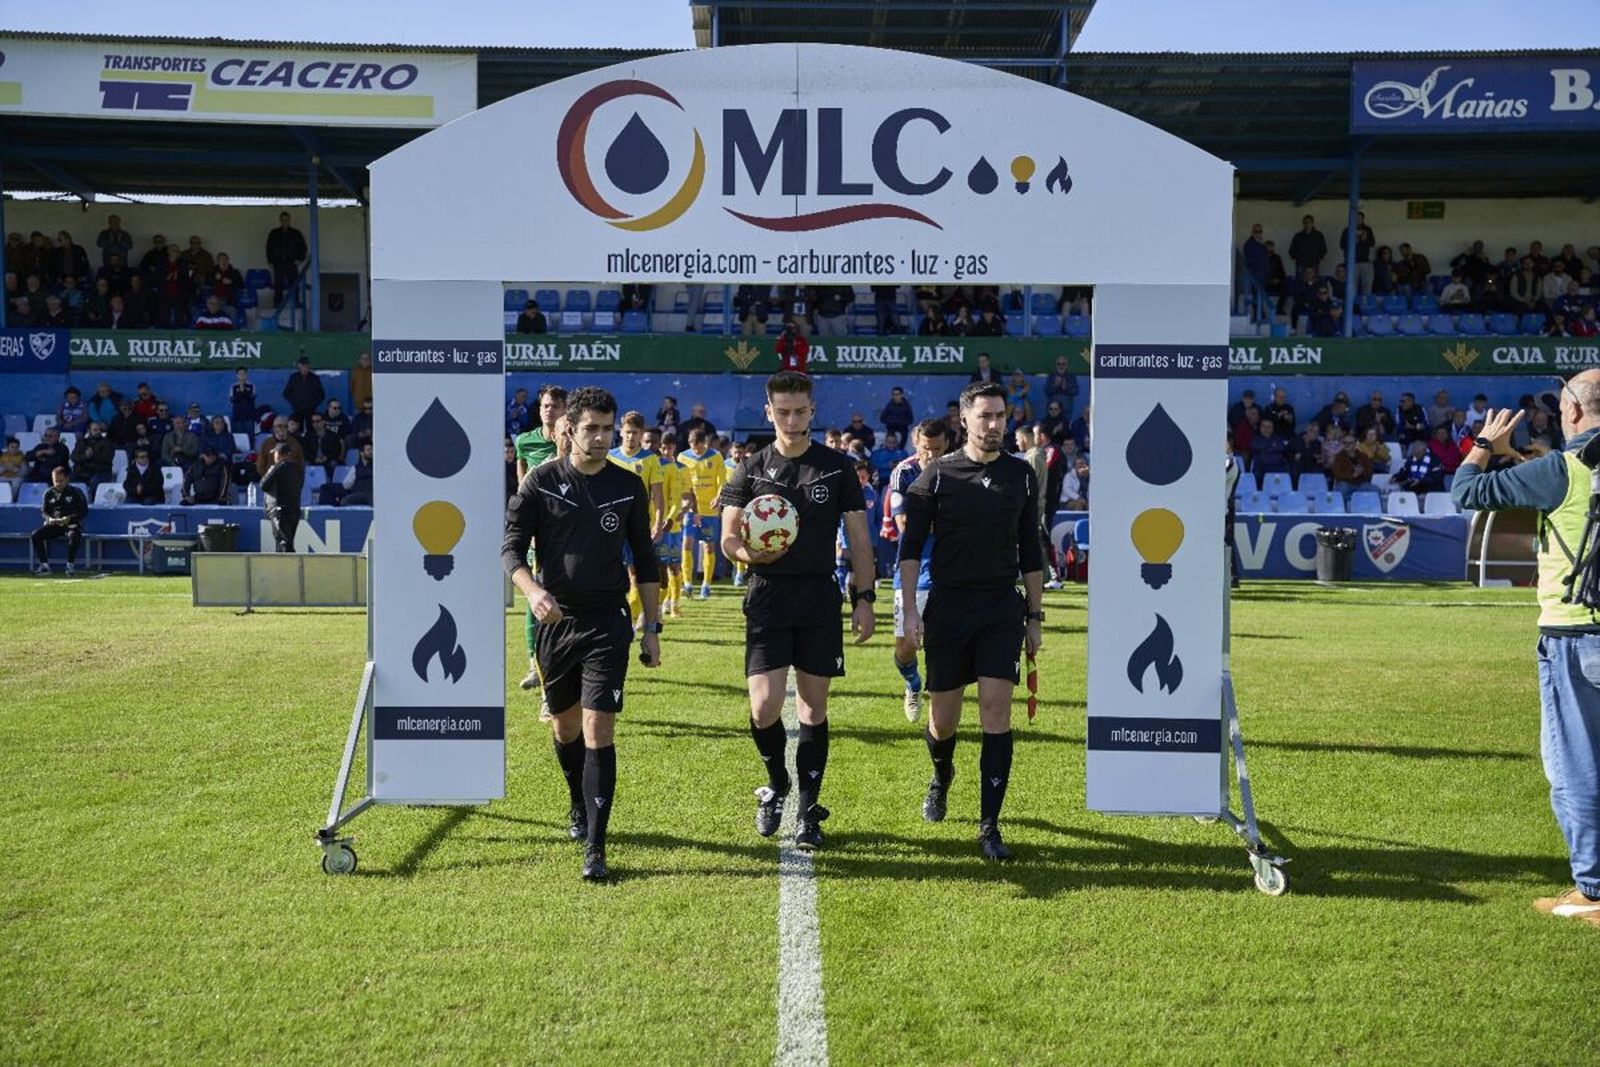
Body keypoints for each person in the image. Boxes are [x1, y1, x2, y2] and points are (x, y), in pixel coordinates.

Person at [1452, 381, 1600, 925]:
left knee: (1575, 765)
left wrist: (1485, 445)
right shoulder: (1562, 465)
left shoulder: (1561, 470)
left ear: (1574, 409)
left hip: (1575, 633)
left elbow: (1466, 491)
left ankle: (1593, 889)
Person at [502, 385, 662, 881]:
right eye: (591, 428)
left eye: (607, 429)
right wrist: (531, 590)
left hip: (607, 623)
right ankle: (577, 800)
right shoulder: (540, 483)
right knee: (565, 727)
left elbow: (646, 559)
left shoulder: (627, 485)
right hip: (555, 625)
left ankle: (596, 846)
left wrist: (651, 626)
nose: (600, 437)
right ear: (568, 428)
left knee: (598, 728)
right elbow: (509, 549)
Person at [716, 371, 875, 850]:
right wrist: (749, 555)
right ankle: (776, 784)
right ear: (768, 412)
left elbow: (861, 541)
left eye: (799, 411)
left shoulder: (836, 467)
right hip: (766, 594)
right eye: (781, 411)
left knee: (812, 705)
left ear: (812, 411)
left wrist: (864, 599)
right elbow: (726, 538)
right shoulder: (750, 468)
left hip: (817, 597)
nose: (791, 419)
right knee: (763, 707)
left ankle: (808, 808)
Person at [898, 381, 1044, 861]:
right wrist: (910, 611)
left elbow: (1031, 550)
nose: (995, 424)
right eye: (985, 416)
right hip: (949, 607)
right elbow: (910, 550)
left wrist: (1036, 616)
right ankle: (941, 776)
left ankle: (989, 826)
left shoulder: (1021, 475)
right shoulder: (936, 476)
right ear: (965, 420)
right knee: (943, 721)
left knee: (996, 713)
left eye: (1001, 415)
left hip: (1001, 607)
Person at [888, 419, 951, 722]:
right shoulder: (904, 472)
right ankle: (913, 683)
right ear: (916, 444)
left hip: (949, 568)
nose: (932, 456)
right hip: (913, 567)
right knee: (906, 644)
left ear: (946, 445)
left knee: (944, 644)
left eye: (938, 449)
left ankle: (939, 705)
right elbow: (905, 525)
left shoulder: (957, 469)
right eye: (927, 450)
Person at [512, 385, 569, 696]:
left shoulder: (573, 440)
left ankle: (567, 658)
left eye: (556, 406)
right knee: (535, 594)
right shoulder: (525, 440)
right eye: (546, 405)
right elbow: (522, 483)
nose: (550, 410)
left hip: (568, 527)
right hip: (538, 526)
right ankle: (535, 664)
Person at [608, 411, 668, 623]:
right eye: (626, 432)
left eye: (634, 433)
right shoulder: (610, 456)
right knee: (609, 575)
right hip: (612, 526)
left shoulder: (650, 460)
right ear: (620, 432)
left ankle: (632, 622)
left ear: (641, 433)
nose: (630, 437)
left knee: (635, 576)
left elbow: (658, 497)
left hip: (638, 527)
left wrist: (658, 524)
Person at [679, 427, 727, 599]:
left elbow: (722, 481)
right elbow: (682, 485)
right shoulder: (683, 457)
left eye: (698, 447)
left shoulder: (716, 457)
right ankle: (688, 583)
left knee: (708, 545)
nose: (695, 450)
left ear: (704, 443)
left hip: (710, 510)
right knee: (687, 543)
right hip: (690, 509)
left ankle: (706, 584)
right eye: (692, 446)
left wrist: (719, 497)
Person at [30, 467, 87, 576]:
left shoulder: (76, 492)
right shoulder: (48, 493)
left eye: (61, 481)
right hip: (55, 525)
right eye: (56, 481)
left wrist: (69, 518)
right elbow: (44, 511)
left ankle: (70, 566)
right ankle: (44, 566)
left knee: (74, 535)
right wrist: (49, 519)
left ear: (67, 479)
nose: (58, 484)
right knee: (36, 535)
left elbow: (83, 511)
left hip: (71, 524)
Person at [260, 443, 305, 552]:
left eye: (275, 453)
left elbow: (263, 485)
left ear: (279, 454)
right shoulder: (298, 469)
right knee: (287, 541)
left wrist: (270, 470)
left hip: (279, 510)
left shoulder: (278, 467)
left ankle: (290, 568)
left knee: (283, 543)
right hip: (294, 509)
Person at [266, 212, 307, 308]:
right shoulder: (274, 233)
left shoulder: (296, 233)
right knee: (278, 285)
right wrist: (270, 261)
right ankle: (277, 305)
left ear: (289, 220)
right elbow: (269, 248)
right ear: (280, 221)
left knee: (294, 285)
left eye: (287, 219)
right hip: (278, 263)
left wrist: (300, 259)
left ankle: (296, 304)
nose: (285, 221)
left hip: (291, 263)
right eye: (283, 219)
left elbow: (303, 247)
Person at [71, 422, 116, 497]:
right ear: (89, 431)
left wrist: (92, 455)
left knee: (95, 481)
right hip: (83, 472)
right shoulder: (82, 442)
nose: (98, 432)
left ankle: (94, 501)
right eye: (95, 430)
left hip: (101, 472)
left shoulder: (107, 443)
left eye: (99, 430)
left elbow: (106, 459)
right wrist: (85, 456)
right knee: (70, 477)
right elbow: (74, 457)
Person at [283, 357, 325, 421]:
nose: (305, 369)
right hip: (297, 410)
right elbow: (286, 393)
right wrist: (295, 402)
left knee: (310, 427)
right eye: (303, 366)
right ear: (299, 367)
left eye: (307, 366)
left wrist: (313, 404)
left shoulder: (314, 378)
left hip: (311, 411)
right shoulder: (294, 377)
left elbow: (321, 394)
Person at [341, 441, 374, 506]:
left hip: (371, 494)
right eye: (368, 450)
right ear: (361, 453)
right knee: (344, 502)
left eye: (372, 450)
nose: (371, 452)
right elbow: (346, 485)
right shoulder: (355, 468)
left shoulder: (376, 467)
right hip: (358, 493)